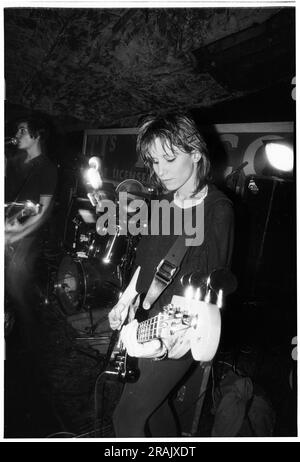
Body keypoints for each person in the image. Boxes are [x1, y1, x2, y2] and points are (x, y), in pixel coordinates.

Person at [108, 113, 234, 437]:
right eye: (154, 161)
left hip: (176, 331)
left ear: (195, 153)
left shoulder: (217, 211)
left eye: (169, 158)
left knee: (126, 417)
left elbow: (207, 297)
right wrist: (126, 301)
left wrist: (170, 339)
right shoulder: (162, 202)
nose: (160, 171)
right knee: (155, 411)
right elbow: (145, 263)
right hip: (143, 320)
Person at [5, 114, 58, 352]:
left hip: (28, 237)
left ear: (36, 135)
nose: (17, 136)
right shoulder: (16, 163)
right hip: (8, 229)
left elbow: (43, 213)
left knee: (17, 284)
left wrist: (16, 236)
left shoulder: (46, 168)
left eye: (23, 131)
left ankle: (29, 341)